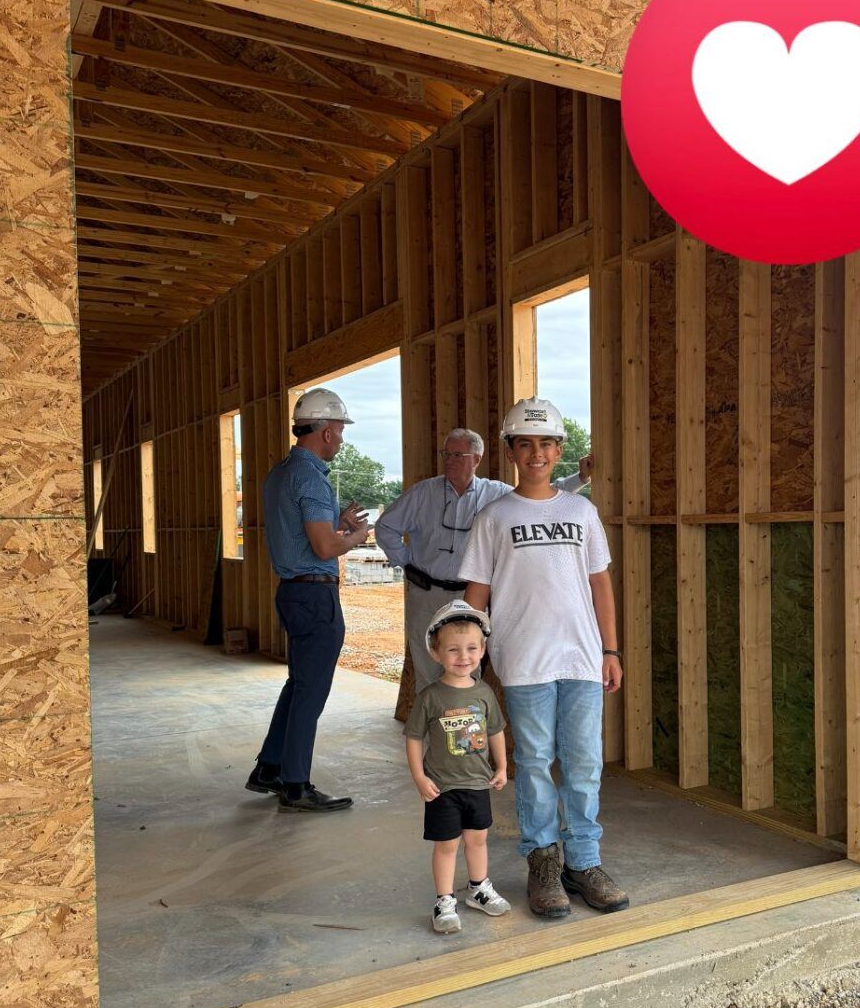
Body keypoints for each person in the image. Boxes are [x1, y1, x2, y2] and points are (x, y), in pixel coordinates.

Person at [460, 397, 629, 919]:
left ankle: (584, 861)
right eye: (526, 444)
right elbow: (477, 592)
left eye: (547, 444)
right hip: (524, 659)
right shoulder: (495, 516)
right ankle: (543, 862)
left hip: (581, 658)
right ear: (511, 451)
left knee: (583, 763)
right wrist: (464, 658)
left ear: (559, 451)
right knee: (533, 763)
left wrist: (610, 649)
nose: (537, 453)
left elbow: (600, 583)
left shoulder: (581, 510)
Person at [375, 428, 592, 692]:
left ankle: (466, 734)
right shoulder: (423, 493)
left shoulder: (496, 494)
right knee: (427, 671)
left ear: (476, 459)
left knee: (467, 670)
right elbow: (385, 527)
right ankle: (432, 733)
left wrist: (580, 477)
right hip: (426, 594)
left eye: (458, 454)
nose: (449, 460)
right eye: (447, 454)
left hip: (472, 597)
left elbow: (542, 493)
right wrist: (407, 563)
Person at [246, 387, 370, 813]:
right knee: (311, 692)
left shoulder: (281, 473)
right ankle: (295, 785)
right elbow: (322, 547)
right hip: (315, 594)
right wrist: (353, 537)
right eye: (340, 430)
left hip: (292, 592)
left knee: (298, 685)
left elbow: (301, 530)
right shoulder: (312, 477)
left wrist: (336, 521)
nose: (342, 438)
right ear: (328, 432)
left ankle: (269, 768)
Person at [403, 601, 511, 935]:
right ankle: (445, 901)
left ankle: (478, 888)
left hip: (477, 783)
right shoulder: (430, 697)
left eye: (471, 648)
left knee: (478, 840)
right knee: (447, 844)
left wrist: (502, 766)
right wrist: (419, 777)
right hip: (442, 787)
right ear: (435, 653)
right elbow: (413, 737)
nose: (463, 657)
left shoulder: (484, 693)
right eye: (453, 649)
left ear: (482, 650)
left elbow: (495, 731)